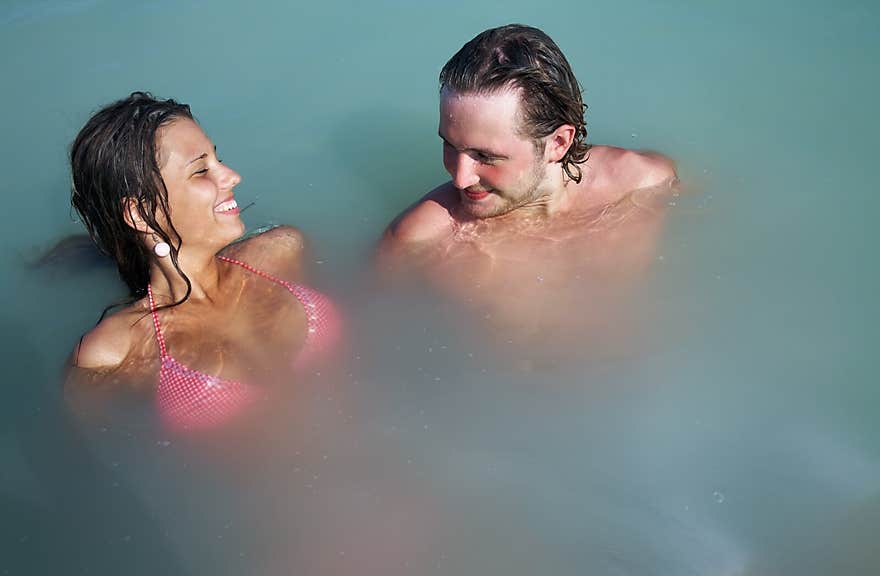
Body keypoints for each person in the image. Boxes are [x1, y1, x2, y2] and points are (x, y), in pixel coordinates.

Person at [379, 25, 678, 359]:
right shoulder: (420, 239)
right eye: (449, 146)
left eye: (485, 156)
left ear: (558, 143)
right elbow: (377, 332)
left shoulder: (644, 183)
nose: (461, 178)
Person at [64, 92, 342, 432]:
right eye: (201, 171)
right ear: (139, 213)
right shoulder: (112, 353)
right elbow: (94, 458)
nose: (231, 176)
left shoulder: (281, 250)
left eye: (218, 159)